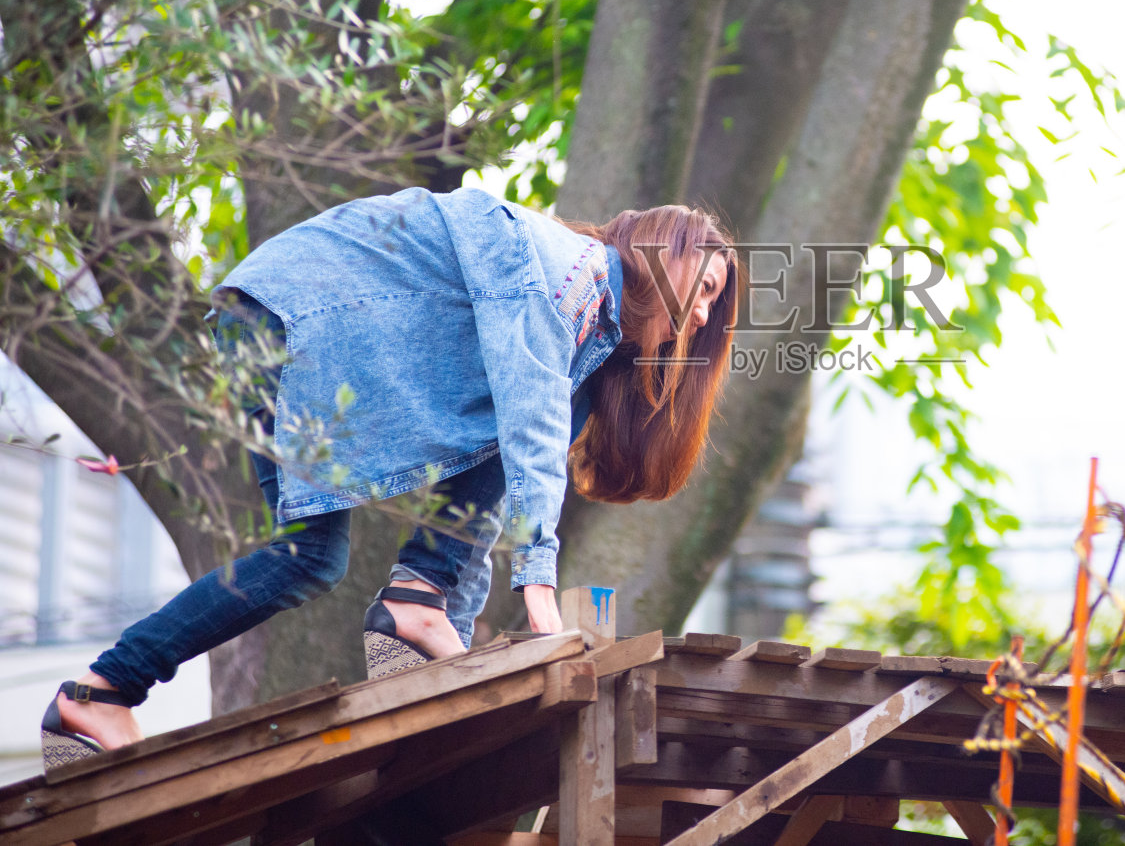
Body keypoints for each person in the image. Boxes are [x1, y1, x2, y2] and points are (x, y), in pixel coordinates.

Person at [40, 187, 740, 767]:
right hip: (298, 315)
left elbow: (506, 440)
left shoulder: (581, 315)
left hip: (268, 318)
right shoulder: (572, 271)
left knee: (306, 559)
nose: (703, 313)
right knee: (534, 409)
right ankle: (413, 599)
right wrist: (538, 580)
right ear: (662, 255)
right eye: (703, 288)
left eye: (714, 303)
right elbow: (529, 421)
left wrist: (451, 614)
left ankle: (100, 693)